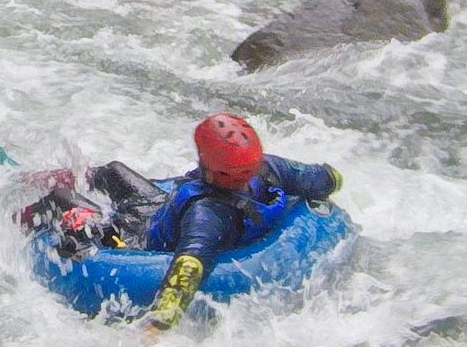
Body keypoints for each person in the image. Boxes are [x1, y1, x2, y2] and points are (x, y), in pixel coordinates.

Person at [136, 113, 342, 333]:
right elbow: (328, 178)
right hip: (224, 226)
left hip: (144, 231)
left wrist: (158, 325)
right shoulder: (271, 168)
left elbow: (189, 264)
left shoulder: (206, 214)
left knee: (112, 172)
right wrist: (331, 179)